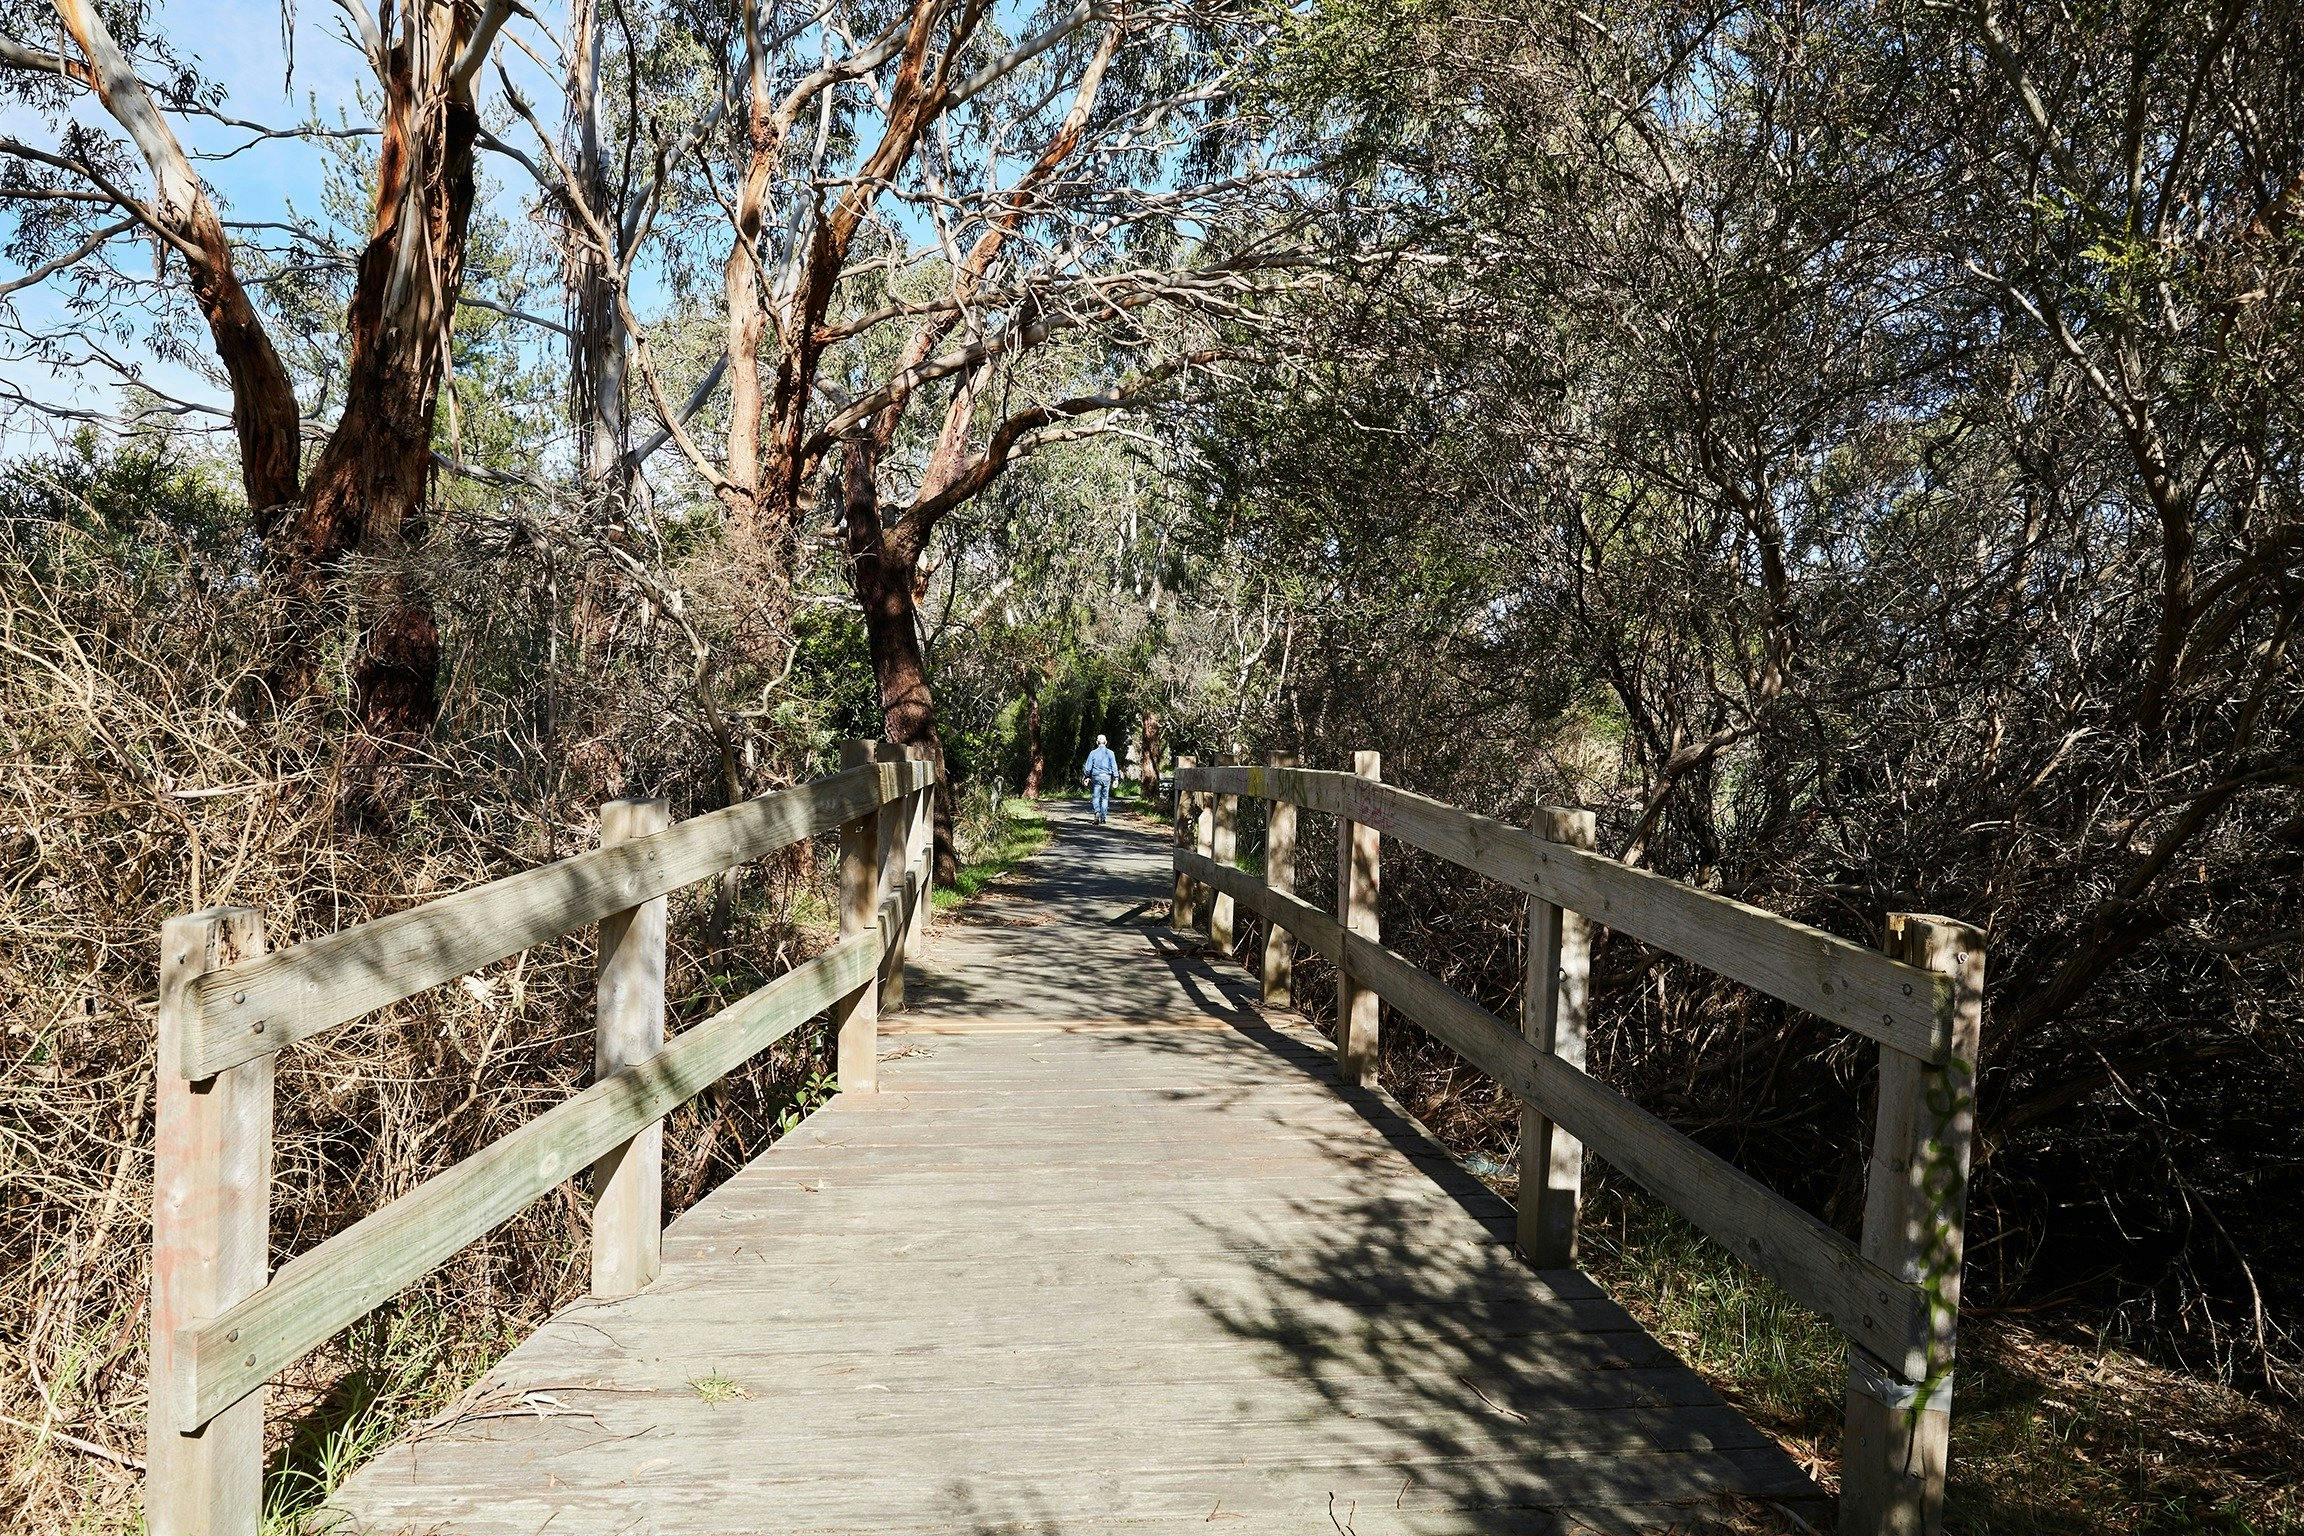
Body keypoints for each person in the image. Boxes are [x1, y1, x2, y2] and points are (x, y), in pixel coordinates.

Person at [1082, 734, 1119, 824]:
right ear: (1106, 742)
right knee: (1105, 797)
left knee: (1096, 796)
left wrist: (1086, 777)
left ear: (1097, 742)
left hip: (1096, 777)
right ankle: (1103, 817)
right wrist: (1116, 778)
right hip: (1107, 777)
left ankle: (1097, 812)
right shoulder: (1111, 753)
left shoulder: (1093, 753)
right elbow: (1114, 766)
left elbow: (1088, 768)